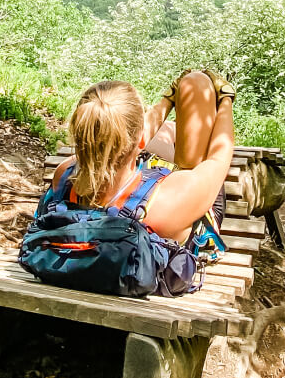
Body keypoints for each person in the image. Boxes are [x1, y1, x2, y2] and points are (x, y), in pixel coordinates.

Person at [50, 69, 236, 249]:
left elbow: (111, 139)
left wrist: (168, 99)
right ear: (141, 139)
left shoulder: (64, 173)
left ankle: (170, 126)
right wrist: (226, 98)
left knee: (166, 131)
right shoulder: (176, 195)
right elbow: (219, 157)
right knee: (195, 84)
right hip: (171, 213)